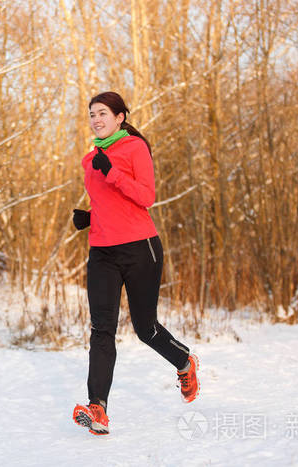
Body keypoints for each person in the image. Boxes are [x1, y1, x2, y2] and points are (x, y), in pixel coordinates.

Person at [71, 91, 199, 436]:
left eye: (102, 114)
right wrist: (90, 215)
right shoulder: (90, 159)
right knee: (102, 330)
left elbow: (146, 197)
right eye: (92, 114)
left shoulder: (134, 149)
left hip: (140, 249)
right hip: (102, 252)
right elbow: (109, 201)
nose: (96, 119)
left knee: (146, 329)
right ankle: (97, 408)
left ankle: (184, 362)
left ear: (119, 117)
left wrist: (112, 172)